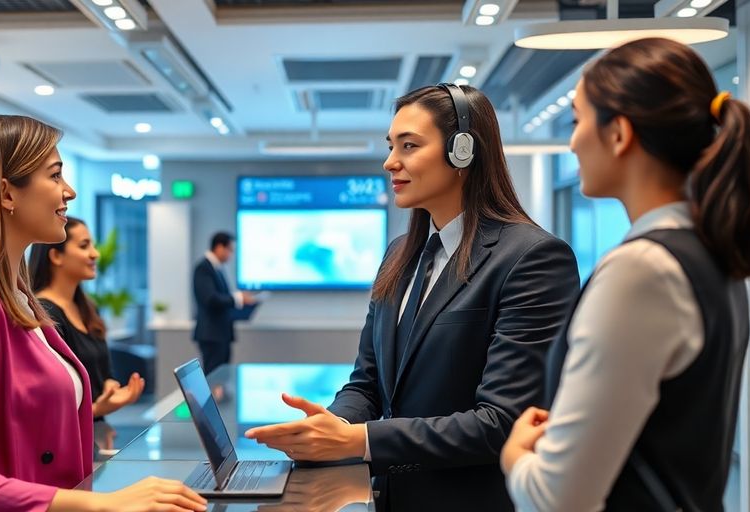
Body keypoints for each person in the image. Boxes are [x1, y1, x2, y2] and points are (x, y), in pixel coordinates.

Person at [245, 83, 580, 511]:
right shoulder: (399, 256)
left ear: (463, 151)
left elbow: (502, 422)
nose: (390, 162)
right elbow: (366, 383)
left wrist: (360, 440)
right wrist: (332, 425)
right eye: (391, 146)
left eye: (409, 145)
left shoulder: (533, 258)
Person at [502, 38, 750, 512]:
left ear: (619, 134)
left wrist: (515, 457)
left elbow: (556, 499)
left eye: (577, 121)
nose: (571, 142)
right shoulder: (707, 252)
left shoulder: (642, 270)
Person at [0, 113, 206, 512]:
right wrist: (102, 505)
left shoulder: (17, 297)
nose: (69, 192)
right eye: (55, 175)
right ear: (7, 194)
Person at [28, 216, 145, 421]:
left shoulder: (88, 308)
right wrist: (98, 409)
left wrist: (110, 386)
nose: (95, 254)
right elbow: (49, 410)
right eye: (84, 246)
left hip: (96, 434)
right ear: (56, 256)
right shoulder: (44, 314)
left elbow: (103, 374)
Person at [192, 232, 256, 377]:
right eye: (230, 250)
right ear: (220, 247)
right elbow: (211, 299)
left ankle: (219, 400)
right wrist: (238, 298)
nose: (231, 255)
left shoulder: (217, 268)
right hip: (211, 334)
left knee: (221, 377)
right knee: (213, 376)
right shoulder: (203, 268)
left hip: (221, 333)